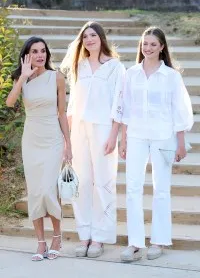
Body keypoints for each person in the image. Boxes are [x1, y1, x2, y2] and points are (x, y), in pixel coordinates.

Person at [119, 27, 193, 261]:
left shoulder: (171, 76)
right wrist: (123, 139)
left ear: (162, 47)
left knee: (161, 189)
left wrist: (181, 143)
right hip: (137, 136)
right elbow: (125, 110)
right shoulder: (131, 74)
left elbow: (179, 110)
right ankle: (135, 243)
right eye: (145, 43)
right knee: (132, 188)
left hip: (163, 136)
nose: (147, 48)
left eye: (153, 44)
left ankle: (159, 241)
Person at [60, 21, 125, 258]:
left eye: (93, 35)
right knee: (83, 182)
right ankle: (84, 234)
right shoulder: (79, 66)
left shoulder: (115, 67)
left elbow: (120, 103)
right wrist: (67, 141)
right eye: (85, 37)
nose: (89, 40)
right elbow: (71, 105)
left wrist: (114, 135)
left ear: (101, 38)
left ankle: (100, 237)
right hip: (78, 129)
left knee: (103, 182)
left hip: (103, 129)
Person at [6, 36, 72, 261]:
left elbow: (62, 113)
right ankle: (40, 243)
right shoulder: (22, 78)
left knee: (48, 190)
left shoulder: (57, 77)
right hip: (31, 139)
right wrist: (23, 76)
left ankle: (57, 237)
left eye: (43, 51)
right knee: (35, 191)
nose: (40, 55)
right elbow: (9, 102)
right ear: (27, 55)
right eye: (34, 51)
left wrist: (68, 144)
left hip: (52, 138)